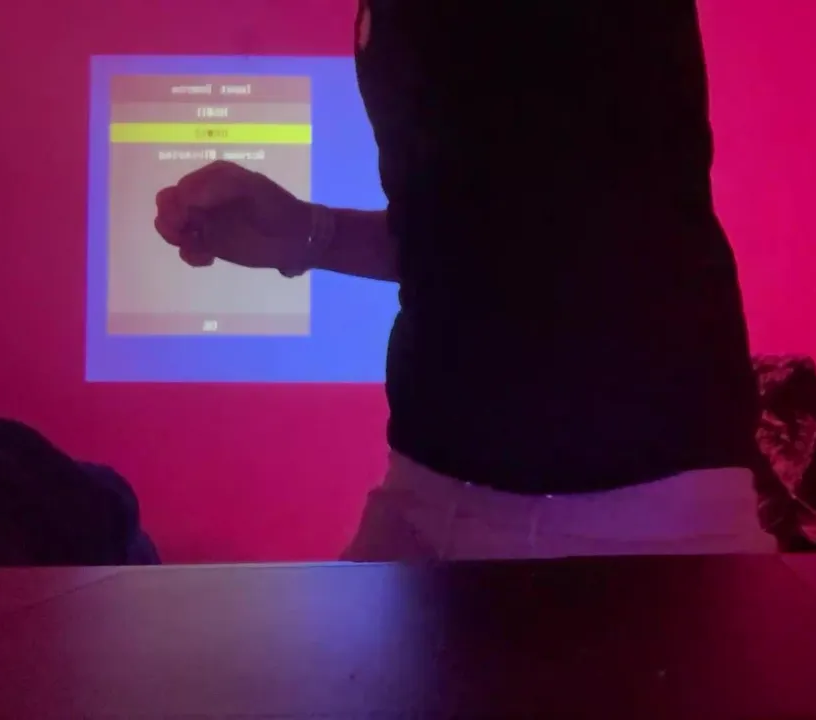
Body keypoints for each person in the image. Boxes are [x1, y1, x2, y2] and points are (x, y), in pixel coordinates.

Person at [153, 0, 772, 561]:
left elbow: (587, 229)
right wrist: (310, 233)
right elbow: (479, 237)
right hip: (427, 488)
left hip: (635, 517)